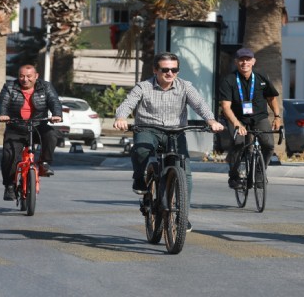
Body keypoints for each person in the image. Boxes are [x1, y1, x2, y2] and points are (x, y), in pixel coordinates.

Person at [113, 52, 224, 232]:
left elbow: (200, 104)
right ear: (155, 70)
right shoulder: (143, 87)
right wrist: (121, 117)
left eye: (174, 69)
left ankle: (182, 217)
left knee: (185, 172)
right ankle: (140, 179)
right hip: (148, 129)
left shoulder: (185, 87)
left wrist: (211, 121)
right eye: (165, 69)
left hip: (175, 131)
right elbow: (127, 104)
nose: (170, 73)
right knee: (141, 151)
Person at [0, 64, 62, 201]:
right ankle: (9, 186)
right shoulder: (10, 86)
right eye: (21, 76)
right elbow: (2, 103)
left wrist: (57, 114)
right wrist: (2, 114)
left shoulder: (45, 86)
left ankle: (44, 163)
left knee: (52, 134)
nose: (25, 79)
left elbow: (54, 101)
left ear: (36, 76)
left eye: (29, 76)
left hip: (38, 125)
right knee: (9, 156)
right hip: (16, 127)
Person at [219, 48, 282, 189]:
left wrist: (277, 116)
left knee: (269, 145)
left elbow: (271, 98)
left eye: (248, 59)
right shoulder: (229, 80)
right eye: (241, 59)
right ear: (236, 62)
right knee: (239, 143)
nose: (245, 62)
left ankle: (259, 173)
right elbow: (226, 106)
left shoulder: (261, 77)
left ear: (253, 61)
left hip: (259, 117)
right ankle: (234, 176)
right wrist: (236, 124)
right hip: (237, 118)